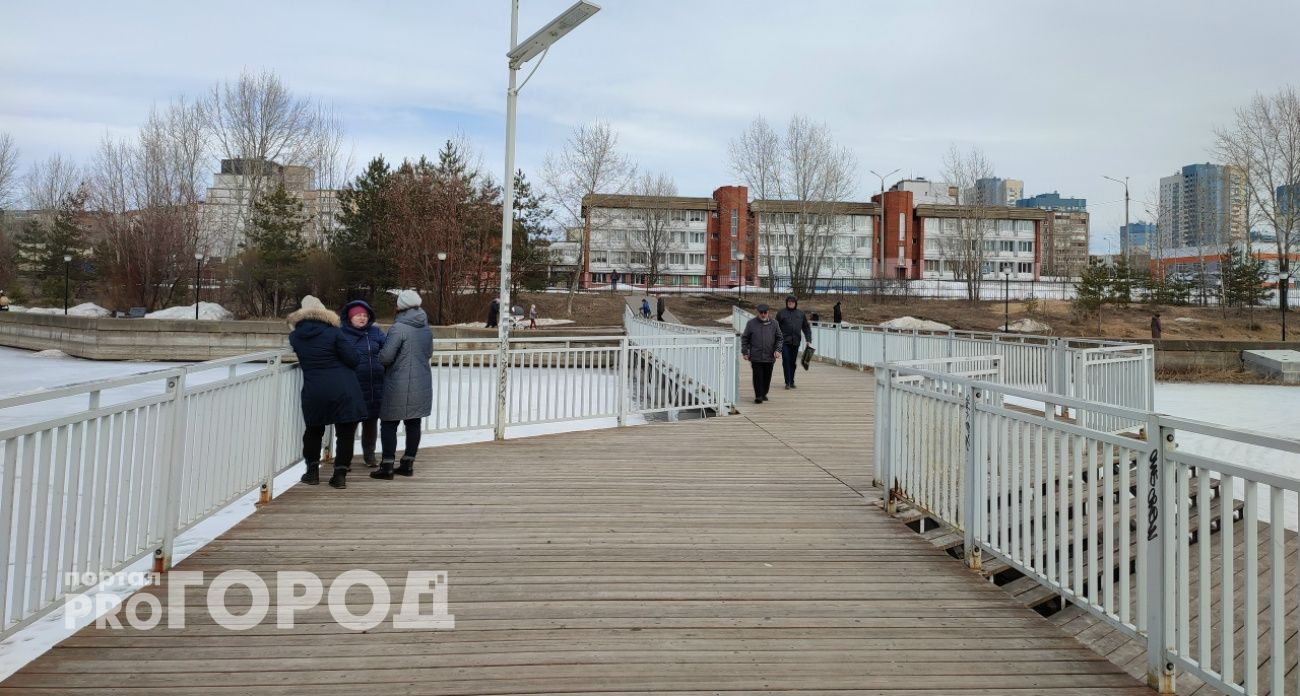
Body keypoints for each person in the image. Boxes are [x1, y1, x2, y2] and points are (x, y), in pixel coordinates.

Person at [287, 295, 369, 489]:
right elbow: (353, 359)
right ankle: (339, 475)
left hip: (315, 389)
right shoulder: (334, 333)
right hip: (343, 388)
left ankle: (312, 472)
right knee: (346, 433)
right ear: (324, 313)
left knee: (314, 430)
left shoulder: (295, 336)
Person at [372, 289, 434, 480]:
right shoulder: (426, 327)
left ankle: (387, 466)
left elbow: (386, 357)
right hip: (421, 380)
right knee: (414, 423)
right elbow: (429, 353)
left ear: (401, 306)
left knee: (389, 423)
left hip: (398, 382)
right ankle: (407, 464)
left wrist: (378, 352)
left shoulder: (398, 328)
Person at [340, 300, 385, 469]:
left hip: (374, 385)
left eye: (365, 315)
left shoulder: (375, 332)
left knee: (371, 422)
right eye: (358, 315)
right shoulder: (342, 334)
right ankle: (345, 458)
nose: (362, 318)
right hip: (352, 385)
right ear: (350, 317)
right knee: (349, 424)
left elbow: (387, 349)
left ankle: (369, 455)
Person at [741, 303, 782, 404]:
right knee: (757, 376)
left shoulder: (774, 324)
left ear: (768, 312)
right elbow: (745, 338)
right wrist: (745, 351)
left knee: (767, 377)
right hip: (756, 356)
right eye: (761, 313)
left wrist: (778, 350)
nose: (763, 315)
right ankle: (758, 395)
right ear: (758, 313)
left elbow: (779, 338)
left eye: (765, 313)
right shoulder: (751, 323)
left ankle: (764, 393)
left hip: (769, 356)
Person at [775, 295, 813, 390]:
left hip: (796, 341)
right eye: (789, 301)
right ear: (787, 302)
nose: (790, 303)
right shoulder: (781, 313)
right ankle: (787, 382)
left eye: (792, 301)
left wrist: (808, 339)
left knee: (792, 362)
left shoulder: (800, 314)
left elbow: (806, 327)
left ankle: (791, 381)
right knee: (786, 360)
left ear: (795, 303)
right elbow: (775, 327)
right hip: (784, 341)